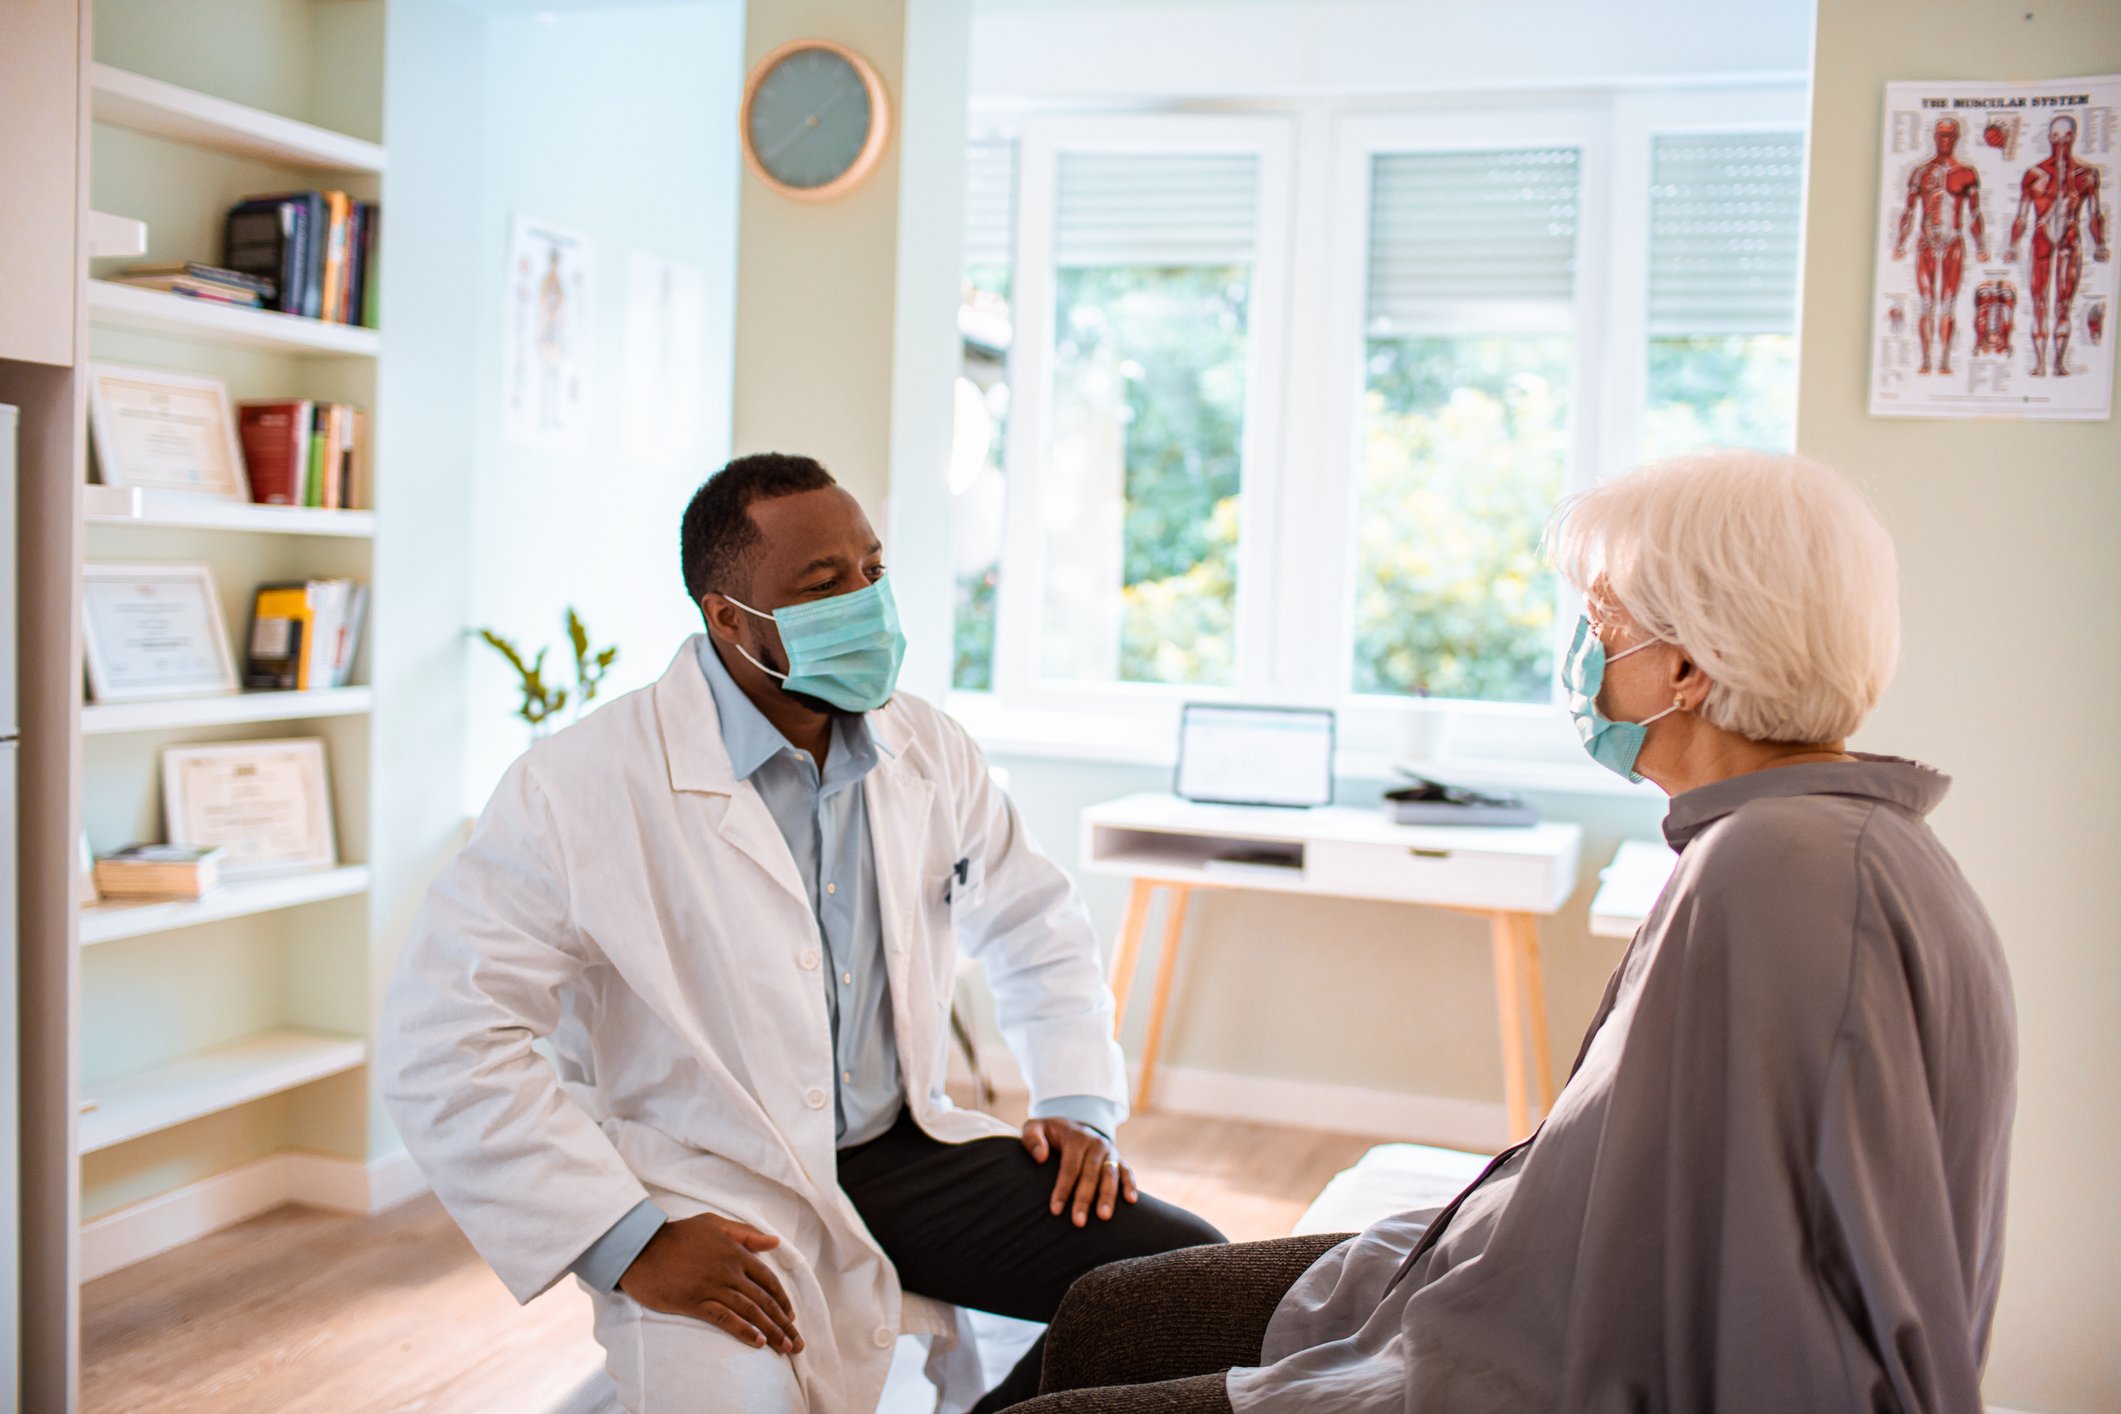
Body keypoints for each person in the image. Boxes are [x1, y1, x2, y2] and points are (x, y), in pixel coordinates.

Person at [1011, 451, 2017, 1413]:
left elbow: (1782, 1304)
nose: (1585, 655)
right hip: (1519, 1270)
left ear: (1687, 667)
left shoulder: (1779, 870)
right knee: (1112, 1306)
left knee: (1102, 1341)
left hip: (1545, 1351)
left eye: (1601, 622)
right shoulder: (1817, 843)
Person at [382, 454, 1224, 1414]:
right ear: (728, 618)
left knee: (1192, 1292)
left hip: (907, 1155)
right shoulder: (578, 785)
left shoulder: (926, 747)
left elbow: (1033, 918)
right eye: (823, 588)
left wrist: (1076, 1097)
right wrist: (629, 1239)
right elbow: (441, 1039)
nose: (866, 603)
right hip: (713, 1180)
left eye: (872, 571)